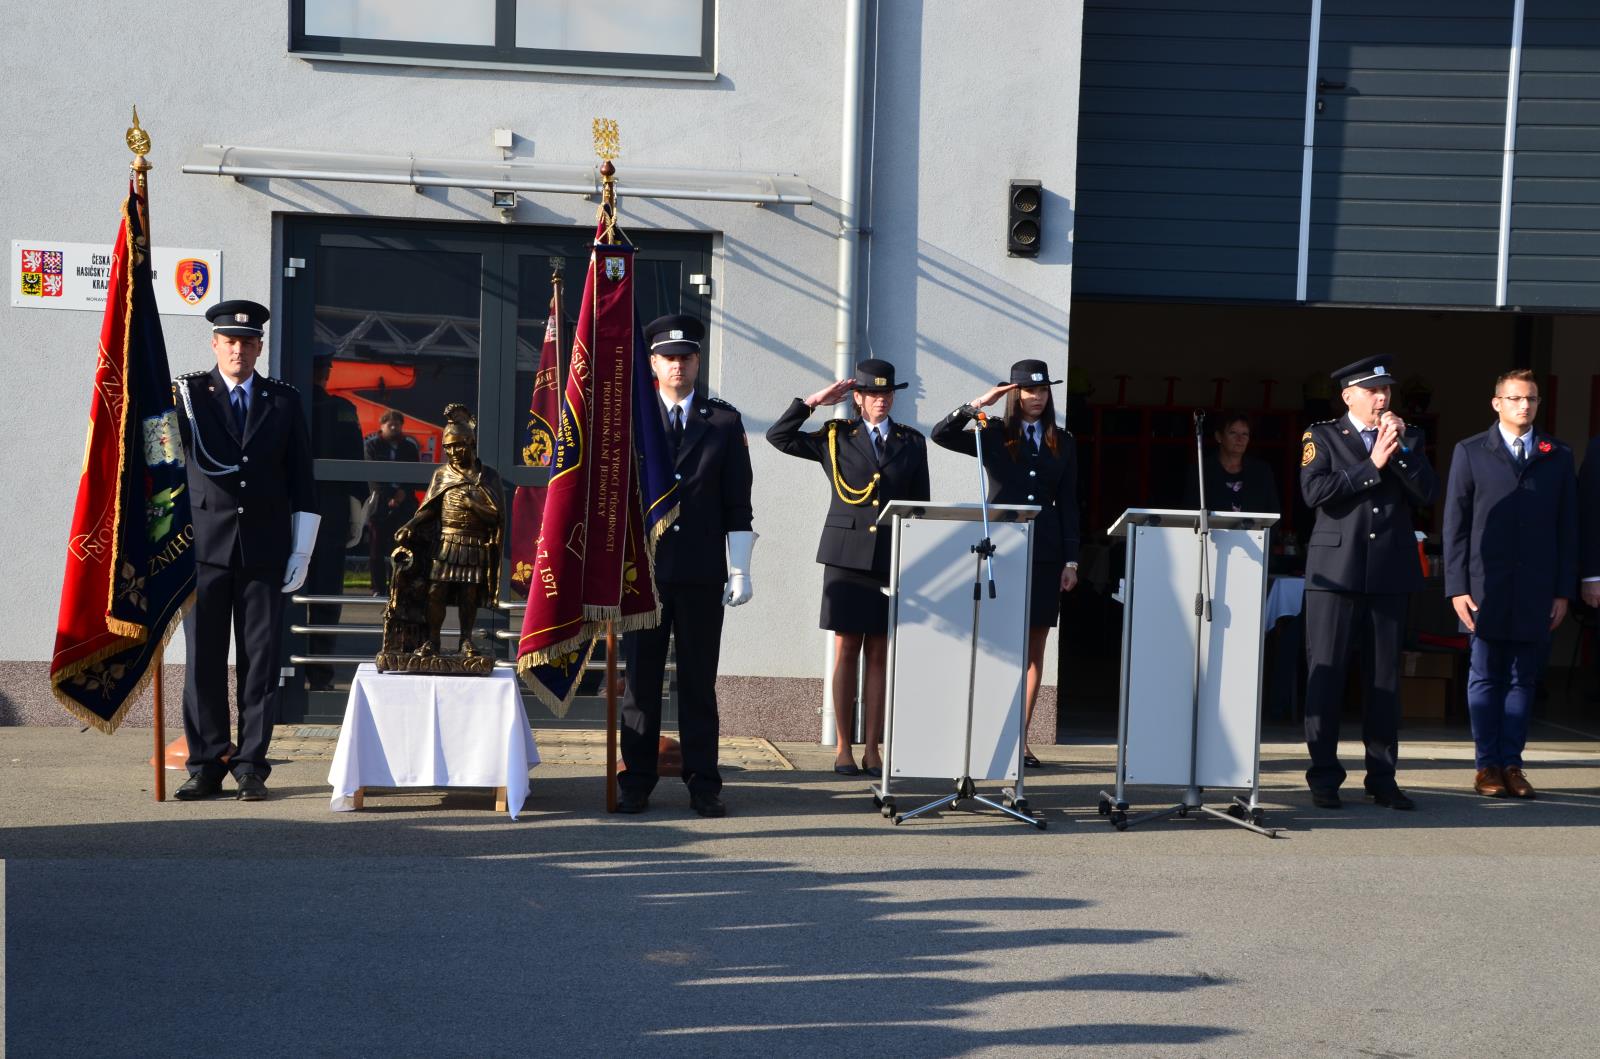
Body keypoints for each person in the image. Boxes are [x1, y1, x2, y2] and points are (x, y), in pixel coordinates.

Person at [172, 300, 318, 801]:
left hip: (264, 552)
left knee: (260, 662)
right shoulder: (186, 396)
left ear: (260, 347)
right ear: (215, 345)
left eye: (248, 341)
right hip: (203, 552)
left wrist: (301, 551)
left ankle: (252, 764)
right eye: (230, 341)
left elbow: (302, 479)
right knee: (204, 664)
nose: (239, 349)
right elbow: (163, 470)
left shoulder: (283, 401)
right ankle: (207, 764)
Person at [617, 314, 755, 818]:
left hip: (700, 571)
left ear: (697, 362)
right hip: (644, 574)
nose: (678, 365)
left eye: (687, 357)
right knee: (641, 683)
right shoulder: (632, 418)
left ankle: (704, 783)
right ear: (652, 363)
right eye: (668, 358)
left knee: (698, 682)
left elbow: (737, 501)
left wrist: (739, 568)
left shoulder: (722, 421)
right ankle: (636, 780)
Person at [768, 359, 930, 777]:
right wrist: (815, 402)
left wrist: (914, 560)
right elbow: (778, 437)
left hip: (888, 556)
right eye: (873, 394)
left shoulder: (911, 442)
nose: (881, 400)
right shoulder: (836, 435)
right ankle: (843, 747)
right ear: (857, 398)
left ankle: (873, 748)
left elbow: (920, 506)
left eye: (887, 393)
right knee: (846, 649)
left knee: (879, 653)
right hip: (845, 556)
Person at [1299, 354, 1437, 810]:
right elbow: (1314, 493)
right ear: (1348, 396)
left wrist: (1398, 454)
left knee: (1383, 681)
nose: (1382, 398)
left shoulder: (1409, 437)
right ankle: (1323, 777)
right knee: (1327, 677)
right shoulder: (1322, 435)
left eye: (1387, 391)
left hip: (1389, 573)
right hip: (1334, 575)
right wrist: (1371, 463)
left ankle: (1382, 777)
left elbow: (1427, 494)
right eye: (1373, 390)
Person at [931, 358, 1080, 768]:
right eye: (1029, 391)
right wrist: (980, 401)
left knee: (1034, 647)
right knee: (996, 644)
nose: (1037, 397)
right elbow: (941, 435)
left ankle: (1019, 738)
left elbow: (1068, 503)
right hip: (1001, 547)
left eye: (1043, 390)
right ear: (1014, 394)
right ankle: (981, 734)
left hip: (1046, 550)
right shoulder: (991, 432)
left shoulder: (1062, 440)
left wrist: (1072, 560)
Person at [1443, 369, 1576, 799]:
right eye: (1516, 398)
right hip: (1485, 587)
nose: (1525, 406)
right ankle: (1487, 767)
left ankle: (1513, 765)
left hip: (1536, 587)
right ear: (1496, 402)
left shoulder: (1556, 454)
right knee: (1484, 677)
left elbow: (1567, 529)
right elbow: (1455, 526)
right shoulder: (1470, 451)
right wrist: (1456, 587)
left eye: (1532, 399)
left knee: (1523, 678)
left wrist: (1562, 590)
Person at [304, 357, 365, 691]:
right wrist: (357, 513)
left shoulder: (288, 404)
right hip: (331, 511)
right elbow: (354, 461)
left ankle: (294, 671)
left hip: (292, 509)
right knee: (326, 597)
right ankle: (320, 675)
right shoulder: (342, 409)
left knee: (292, 594)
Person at [364, 408, 421, 596]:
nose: (394, 427)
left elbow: (414, 473)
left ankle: (397, 586)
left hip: (404, 505)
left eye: (398, 424)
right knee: (376, 549)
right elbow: (371, 475)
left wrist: (401, 494)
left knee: (401, 548)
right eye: (390, 424)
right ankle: (378, 588)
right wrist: (389, 496)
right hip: (379, 504)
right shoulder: (371, 445)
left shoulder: (410, 446)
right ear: (382, 426)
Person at [1182, 411, 1279, 514]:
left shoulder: (1261, 472)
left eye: (1245, 434)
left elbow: (1274, 513)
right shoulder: (1201, 471)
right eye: (1233, 433)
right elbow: (1190, 514)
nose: (1240, 439)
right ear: (1219, 436)